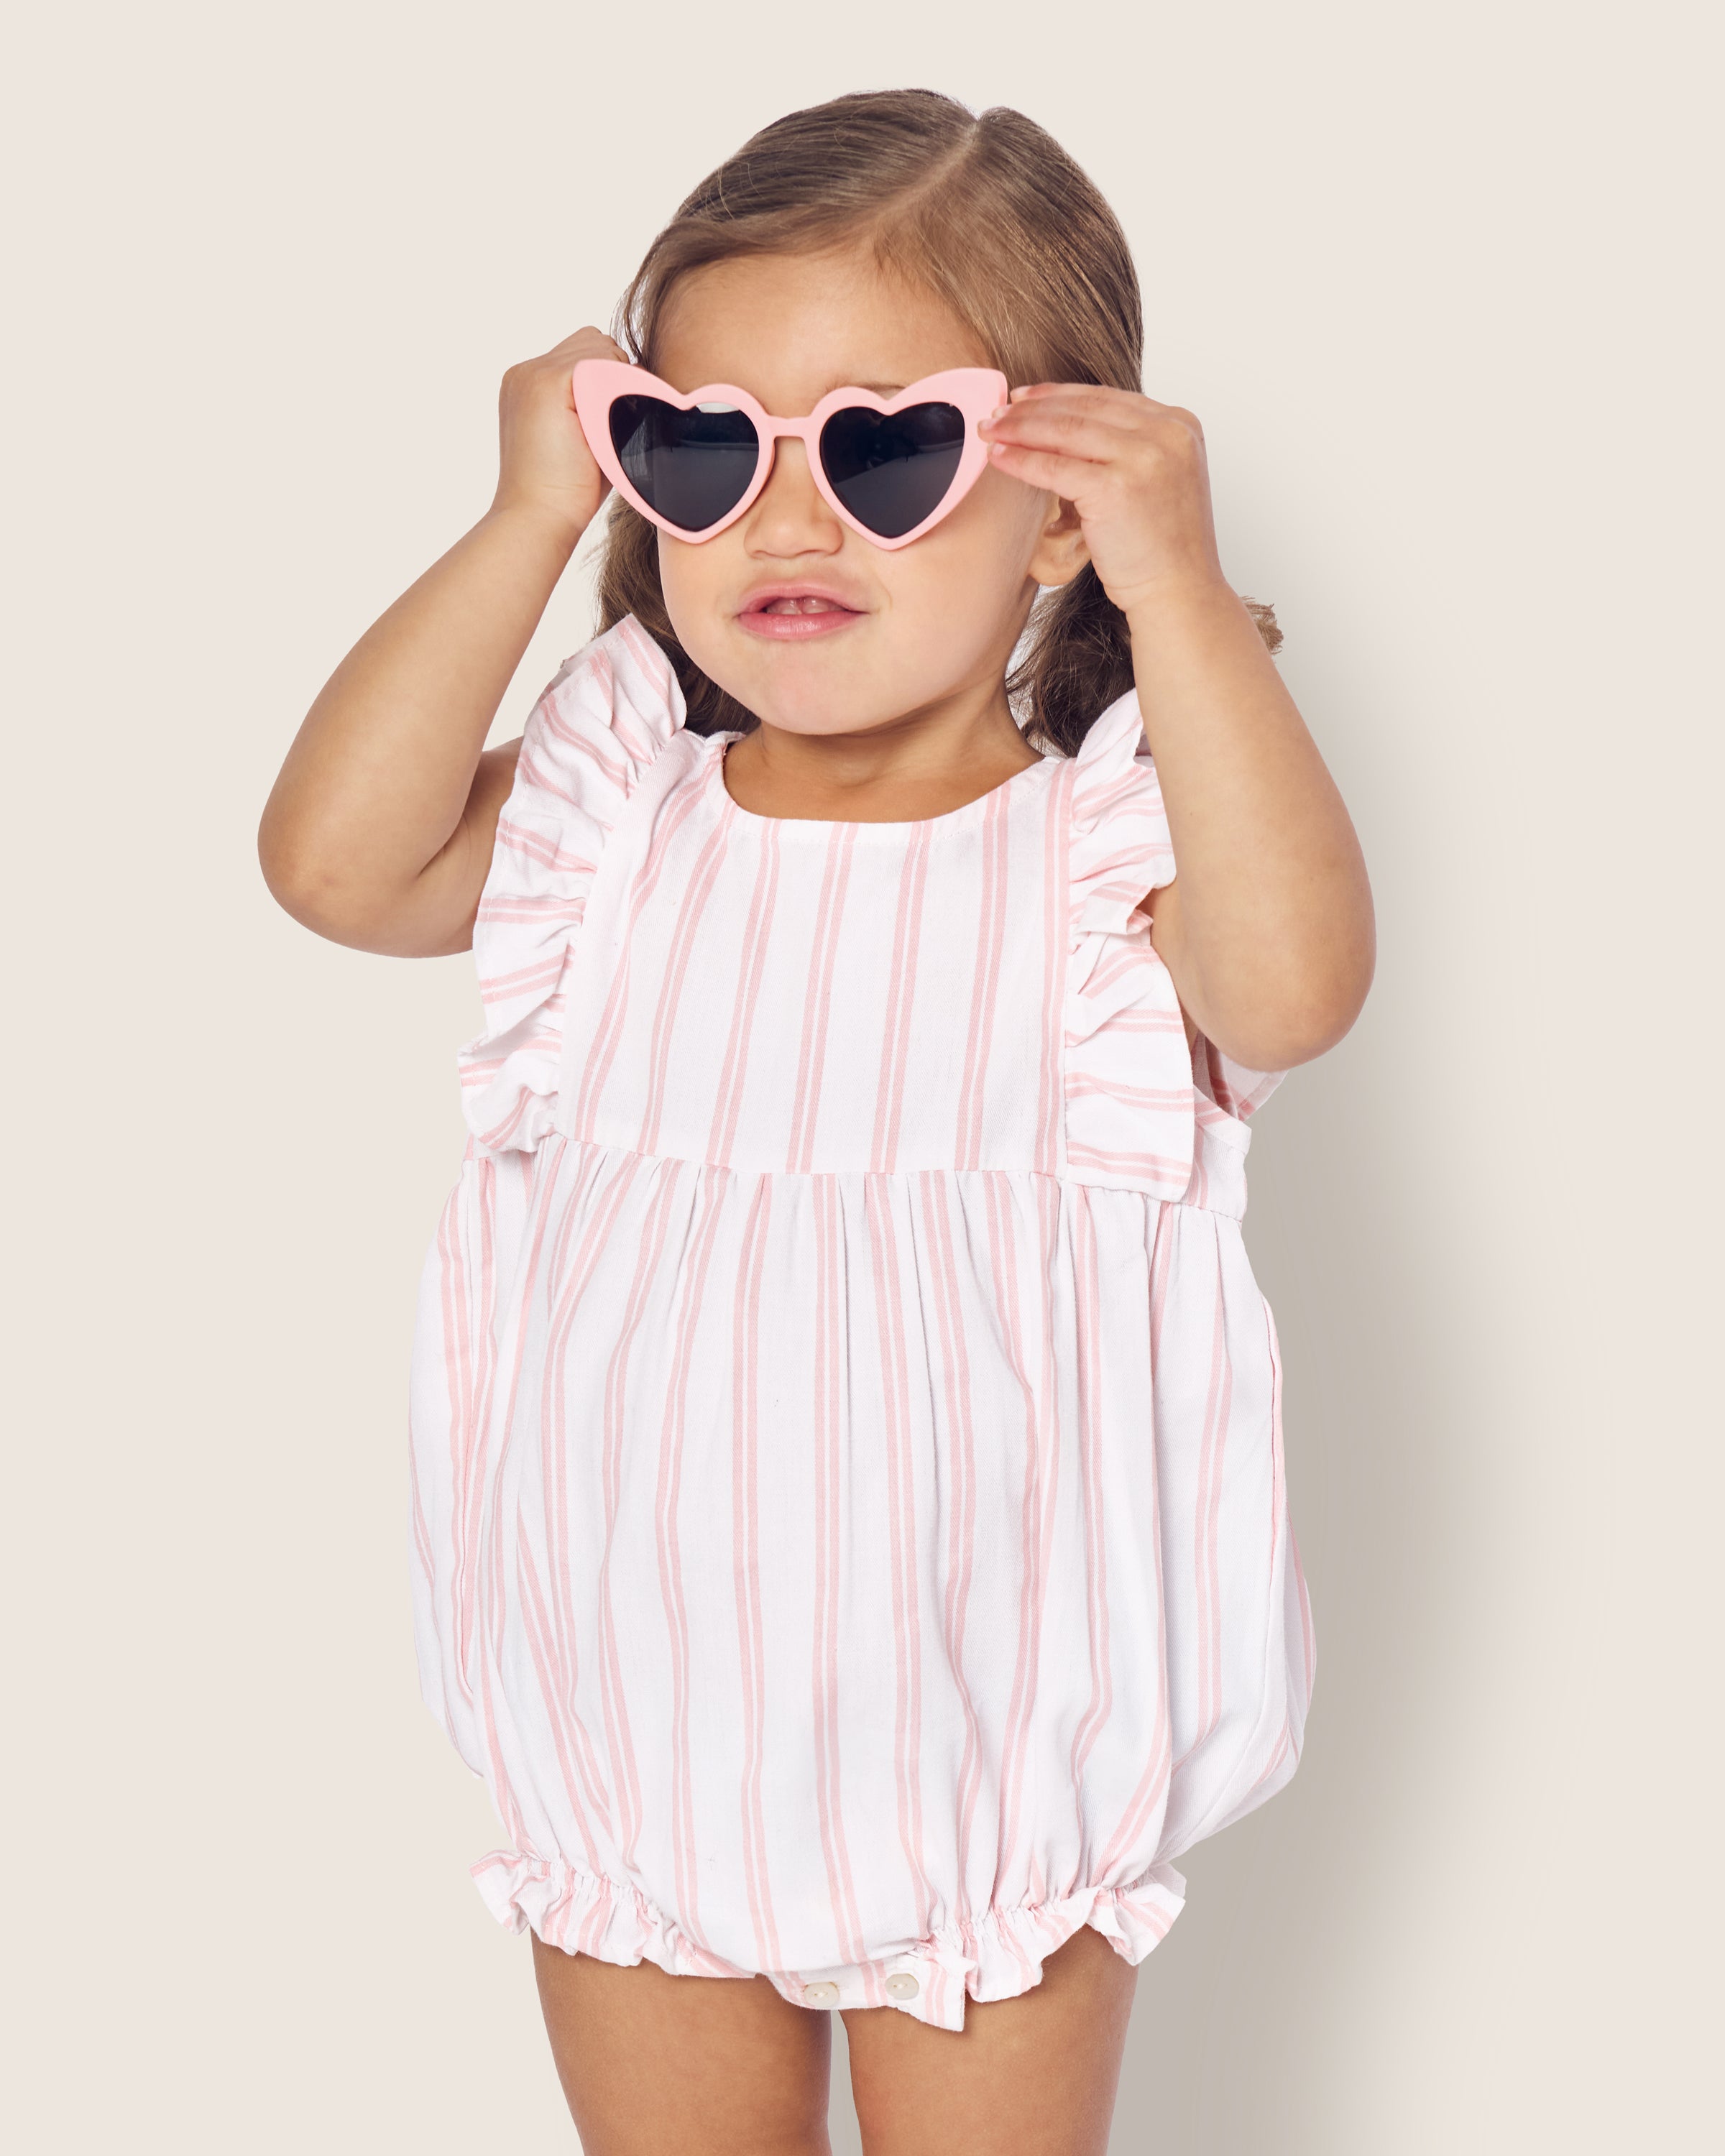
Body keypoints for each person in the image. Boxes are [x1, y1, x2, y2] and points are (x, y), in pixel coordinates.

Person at [259, 86, 1373, 2156]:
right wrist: (524, 517)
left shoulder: (1115, 840)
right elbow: (336, 868)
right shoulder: (618, 808)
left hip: (986, 1772)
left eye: (886, 450)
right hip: (630, 1722)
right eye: (697, 452)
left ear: (1059, 501)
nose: (787, 522)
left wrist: (1183, 589)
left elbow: (1296, 985)